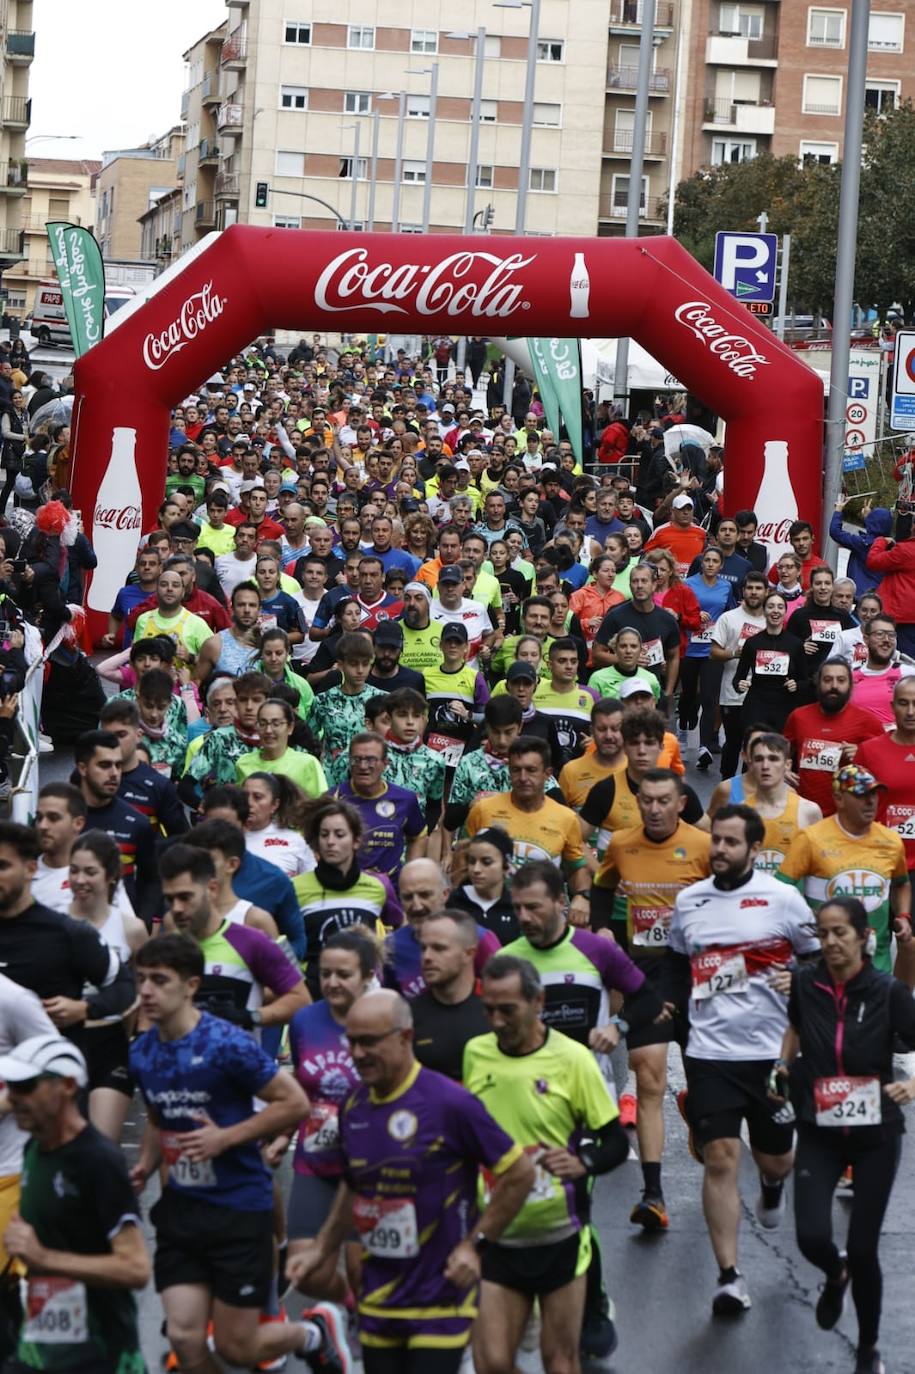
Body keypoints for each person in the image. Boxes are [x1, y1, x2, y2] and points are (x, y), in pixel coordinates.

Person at [129, 936, 350, 1374]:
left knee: (237, 1346)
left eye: (159, 980)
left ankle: (315, 1333)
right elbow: (158, 1114)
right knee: (184, 1338)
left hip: (237, 1207)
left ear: (191, 986)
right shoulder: (142, 1051)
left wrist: (226, 1138)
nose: (146, 992)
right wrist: (145, 1167)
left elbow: (294, 1103)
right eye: (140, 981)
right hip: (181, 1211)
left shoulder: (226, 1044)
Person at [287, 988, 535, 1374]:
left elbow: (519, 1173)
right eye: (351, 1042)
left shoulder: (451, 1103)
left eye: (369, 1042)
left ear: (405, 1037)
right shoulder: (353, 1105)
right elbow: (353, 1185)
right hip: (379, 1294)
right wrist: (321, 1251)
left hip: (441, 1296)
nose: (357, 1054)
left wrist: (476, 1247)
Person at [663, 805, 820, 1315]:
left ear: (755, 850)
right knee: (722, 1156)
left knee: (776, 1157)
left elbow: (818, 961)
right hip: (711, 1053)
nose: (721, 850)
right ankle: (729, 1275)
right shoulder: (690, 902)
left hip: (772, 1054)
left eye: (732, 843)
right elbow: (677, 963)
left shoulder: (784, 900)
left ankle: (773, 1185)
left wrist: (797, 979)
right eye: (717, 842)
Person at [465, 956, 630, 1374]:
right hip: (497, 1231)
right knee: (493, 1364)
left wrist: (582, 1162)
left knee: (559, 1362)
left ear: (538, 1001)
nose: (497, 1021)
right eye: (489, 1010)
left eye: (508, 1010)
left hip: (558, 1232)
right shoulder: (476, 1053)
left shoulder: (573, 1059)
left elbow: (612, 1141)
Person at [771, 897, 915, 1374]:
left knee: (866, 1245)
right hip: (819, 1125)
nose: (830, 942)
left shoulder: (887, 991)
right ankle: (836, 1274)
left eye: (840, 933)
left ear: (862, 937)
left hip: (876, 1133)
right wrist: (781, 1064)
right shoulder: (806, 984)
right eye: (823, 932)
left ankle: (869, 1346)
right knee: (811, 1234)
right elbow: (794, 1026)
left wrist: (911, 1083)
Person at [0, 1034, 151, 1374]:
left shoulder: (98, 1161)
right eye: (10, 1088)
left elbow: (136, 1268)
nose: (14, 1099)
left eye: (26, 1087)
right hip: (42, 1348)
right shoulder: (33, 1151)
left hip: (100, 1354)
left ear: (67, 1086)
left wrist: (43, 1256)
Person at [277, 929, 376, 1304]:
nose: (332, 982)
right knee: (304, 1271)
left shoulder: (385, 1016)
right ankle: (346, 1312)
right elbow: (301, 1086)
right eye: (325, 974)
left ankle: (363, 1335)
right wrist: (284, 1136)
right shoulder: (305, 1020)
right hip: (316, 1160)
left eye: (344, 974)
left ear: (367, 975)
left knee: (362, 1272)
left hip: (369, 1165)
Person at [779, 765, 912, 983]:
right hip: (823, 967)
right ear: (839, 798)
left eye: (874, 794)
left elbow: (901, 883)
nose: (870, 801)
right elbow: (781, 890)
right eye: (861, 795)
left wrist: (903, 916)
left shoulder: (891, 841)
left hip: (875, 967)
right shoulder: (811, 838)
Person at [159, 844, 309, 1032]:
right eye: (169, 899)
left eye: (185, 897)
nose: (177, 908)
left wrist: (251, 1016)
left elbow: (301, 1000)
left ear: (212, 889)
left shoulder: (252, 940)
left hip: (238, 1059)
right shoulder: (162, 950)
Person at [66, 832, 147, 1143]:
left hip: (112, 1044)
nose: (80, 880)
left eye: (90, 871)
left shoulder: (131, 928)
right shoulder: (55, 923)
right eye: (74, 870)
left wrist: (136, 1034)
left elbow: (144, 985)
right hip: (65, 1041)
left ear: (111, 876)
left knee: (101, 1149)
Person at [294, 799, 402, 995]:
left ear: (356, 841)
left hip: (365, 996)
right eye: (324, 835)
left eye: (340, 834)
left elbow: (400, 928)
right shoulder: (295, 888)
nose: (330, 842)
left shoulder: (379, 886)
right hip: (313, 993)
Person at [466, 739, 590, 908]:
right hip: (491, 913)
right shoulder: (483, 810)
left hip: (542, 916)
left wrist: (582, 897)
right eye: (516, 770)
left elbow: (577, 868)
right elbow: (463, 858)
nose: (523, 778)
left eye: (531, 770)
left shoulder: (566, 818)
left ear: (547, 774)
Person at [73, 731, 160, 927]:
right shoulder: (60, 818)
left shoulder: (138, 823)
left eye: (118, 765)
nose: (114, 773)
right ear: (83, 768)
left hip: (121, 933)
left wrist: (142, 922)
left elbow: (152, 879)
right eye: (104, 765)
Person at [707, 732, 822, 872]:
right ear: (750, 763)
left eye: (773, 759)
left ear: (787, 765)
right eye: (759, 759)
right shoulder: (738, 812)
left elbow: (817, 866)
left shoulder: (809, 811)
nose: (766, 766)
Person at [386, 857, 499, 1000]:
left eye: (425, 895)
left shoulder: (478, 939)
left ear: (445, 894)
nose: (417, 906)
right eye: (408, 897)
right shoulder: (392, 947)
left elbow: (505, 993)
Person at [783, 658, 884, 818]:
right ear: (818, 683)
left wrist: (862, 754)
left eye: (841, 680)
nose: (834, 686)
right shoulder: (798, 717)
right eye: (827, 680)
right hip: (805, 813)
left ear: (850, 686)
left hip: (849, 816)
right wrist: (782, 768)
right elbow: (780, 751)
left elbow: (885, 767)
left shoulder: (867, 721)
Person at [332, 733, 428, 882]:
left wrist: (409, 873)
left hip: (390, 889)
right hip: (343, 887)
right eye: (356, 760)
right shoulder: (332, 799)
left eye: (371, 760)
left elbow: (418, 836)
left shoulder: (405, 800)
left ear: (385, 763)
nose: (363, 766)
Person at [412, 909, 491, 1081]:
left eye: (439, 948)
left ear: (468, 954)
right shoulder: (408, 1015)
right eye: (423, 948)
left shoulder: (496, 1007)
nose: (427, 957)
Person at [709, 571, 773, 778]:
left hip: (762, 695)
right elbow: (713, 652)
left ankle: (749, 788)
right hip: (733, 694)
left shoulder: (772, 620)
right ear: (743, 591)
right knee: (733, 742)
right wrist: (734, 653)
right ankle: (726, 785)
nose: (754, 592)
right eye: (750, 588)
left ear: (766, 592)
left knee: (755, 743)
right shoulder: (729, 618)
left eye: (758, 588)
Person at [858, 676, 915, 902]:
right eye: (903, 703)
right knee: (877, 938)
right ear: (892, 707)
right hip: (879, 862)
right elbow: (853, 808)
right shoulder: (869, 751)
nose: (910, 711)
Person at [592, 561, 680, 704]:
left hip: (652, 693)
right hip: (618, 692)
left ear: (653, 585)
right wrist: (625, 660)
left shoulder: (667, 620)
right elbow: (597, 655)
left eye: (644, 581)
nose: (639, 585)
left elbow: (674, 656)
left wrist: (669, 692)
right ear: (630, 585)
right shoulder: (615, 615)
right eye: (635, 581)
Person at [681, 546, 735, 769]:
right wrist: (694, 614)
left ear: (721, 565)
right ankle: (684, 727)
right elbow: (678, 613)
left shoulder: (726, 586)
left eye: (715, 561)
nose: (711, 564)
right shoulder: (688, 584)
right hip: (690, 646)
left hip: (712, 649)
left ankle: (703, 746)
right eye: (707, 560)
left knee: (710, 698)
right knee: (689, 695)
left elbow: (731, 611)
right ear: (702, 563)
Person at [309, 633, 387, 786]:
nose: (360, 670)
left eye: (365, 664)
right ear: (340, 665)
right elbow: (307, 742)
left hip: (373, 781)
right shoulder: (323, 701)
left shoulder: (383, 700)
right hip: (332, 782)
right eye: (353, 664)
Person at [733, 590, 806, 734]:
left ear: (785, 612)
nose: (775, 611)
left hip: (785, 705)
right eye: (771, 606)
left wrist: (796, 685)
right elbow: (737, 679)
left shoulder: (796, 644)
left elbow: (805, 680)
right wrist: (739, 685)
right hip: (756, 705)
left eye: (780, 607)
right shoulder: (752, 643)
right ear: (764, 610)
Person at [236, 698, 327, 795]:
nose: (268, 730)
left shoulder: (307, 763)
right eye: (263, 724)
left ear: (290, 728)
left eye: (276, 724)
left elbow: (321, 805)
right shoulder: (243, 763)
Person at [448, 827, 519, 944]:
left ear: (506, 866)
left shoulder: (517, 908)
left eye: (486, 862)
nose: (476, 869)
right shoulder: (452, 903)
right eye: (472, 861)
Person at [239, 771, 315, 879]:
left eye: (257, 797)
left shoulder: (294, 841)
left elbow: (311, 884)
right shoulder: (226, 837)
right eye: (244, 796)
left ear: (275, 804)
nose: (249, 803)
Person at [786, 565, 857, 678]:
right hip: (806, 679)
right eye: (818, 583)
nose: (823, 587)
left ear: (832, 587)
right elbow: (786, 647)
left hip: (835, 679)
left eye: (827, 583)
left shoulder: (843, 616)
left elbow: (854, 645)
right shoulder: (799, 616)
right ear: (812, 586)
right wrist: (800, 648)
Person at [558, 696, 624, 810]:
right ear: (592, 731)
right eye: (602, 729)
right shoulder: (571, 772)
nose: (608, 736)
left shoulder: (637, 771)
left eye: (615, 729)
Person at [849, 615, 915, 725]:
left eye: (891, 635)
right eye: (880, 634)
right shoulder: (850, 674)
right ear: (866, 639)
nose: (886, 640)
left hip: (895, 739)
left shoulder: (908, 674)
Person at [866, 523, 915, 658]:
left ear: (913, 527)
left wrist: (881, 541)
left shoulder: (905, 550)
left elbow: (873, 561)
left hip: (900, 620)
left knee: (899, 664)